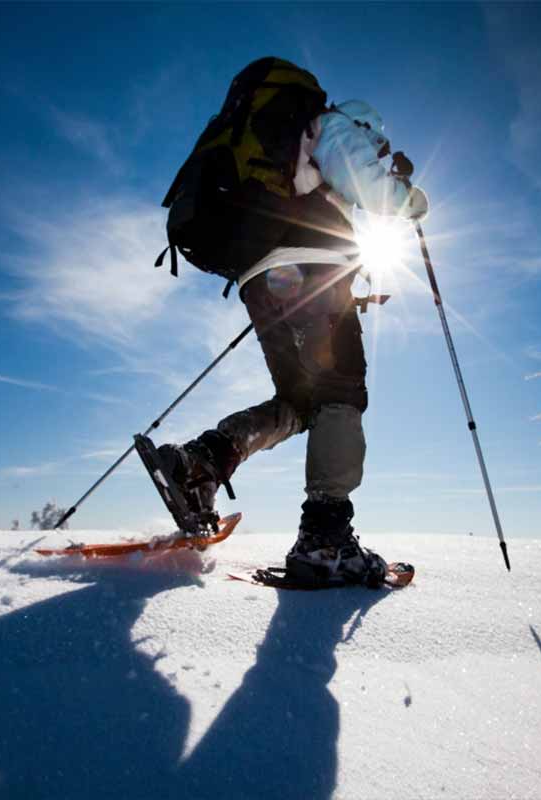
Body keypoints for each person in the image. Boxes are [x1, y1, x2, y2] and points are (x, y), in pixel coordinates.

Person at [157, 96, 428, 587]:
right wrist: (408, 198)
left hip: (260, 280)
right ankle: (326, 539)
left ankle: (201, 463)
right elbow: (365, 184)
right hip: (310, 271)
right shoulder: (337, 124)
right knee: (341, 392)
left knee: (301, 403)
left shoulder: (290, 149)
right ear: (369, 125)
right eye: (379, 143)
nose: (380, 150)